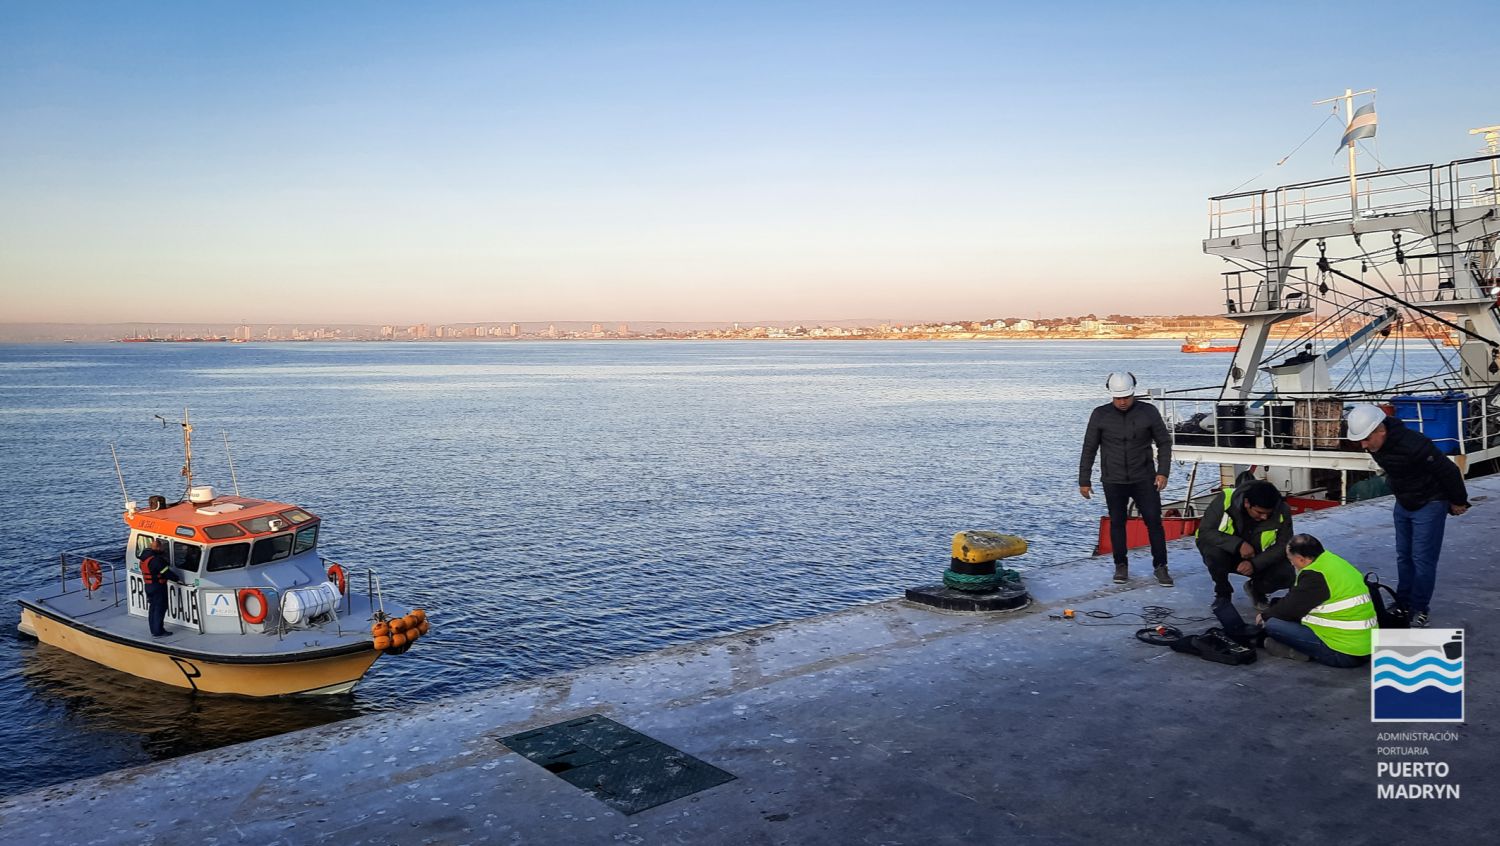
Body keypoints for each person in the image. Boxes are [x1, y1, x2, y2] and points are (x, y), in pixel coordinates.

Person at [1346, 404, 1470, 628]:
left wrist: (1458, 501)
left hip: (1430, 502)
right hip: (1404, 501)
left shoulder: (1415, 444)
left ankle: (1420, 608)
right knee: (1404, 556)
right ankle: (1403, 603)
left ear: (1380, 431)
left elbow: (1448, 471)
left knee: (1422, 559)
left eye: (1366, 439)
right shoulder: (1377, 446)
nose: (1363, 445)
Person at [1079, 372, 1173, 586]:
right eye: (1118, 398)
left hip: (1144, 478)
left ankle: (1161, 567)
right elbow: (1089, 448)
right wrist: (1084, 480)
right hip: (1113, 480)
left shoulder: (1148, 412)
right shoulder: (1099, 415)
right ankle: (1120, 565)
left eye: (1126, 397)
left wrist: (1163, 472)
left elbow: (1164, 442)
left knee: (1154, 522)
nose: (1122, 402)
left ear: (1133, 393)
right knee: (1118, 522)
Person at [1257, 533, 1376, 667]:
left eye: (1291, 559)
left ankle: (1297, 651)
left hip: (1344, 653)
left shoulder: (1314, 575)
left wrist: (1264, 616)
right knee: (1278, 606)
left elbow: (1290, 608)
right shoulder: (1331, 561)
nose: (1291, 563)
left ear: (1301, 559)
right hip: (1367, 646)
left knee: (1273, 624)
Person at [1194, 480, 1294, 612]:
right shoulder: (1226, 499)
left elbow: (1283, 545)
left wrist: (1255, 564)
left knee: (1288, 574)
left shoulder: (1282, 510)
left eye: (1268, 514)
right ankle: (1223, 593)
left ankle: (1257, 589)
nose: (1264, 517)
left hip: (1259, 556)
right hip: (1226, 552)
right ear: (1247, 503)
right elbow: (1205, 532)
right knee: (1213, 553)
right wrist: (1238, 545)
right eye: (1259, 512)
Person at [139, 537, 182, 637]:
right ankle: (159, 631)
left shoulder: (144, 558)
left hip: (148, 586)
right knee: (160, 608)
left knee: (153, 608)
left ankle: (154, 630)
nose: (163, 549)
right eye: (162, 547)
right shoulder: (156, 560)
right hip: (158, 587)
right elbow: (166, 572)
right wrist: (177, 579)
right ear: (158, 548)